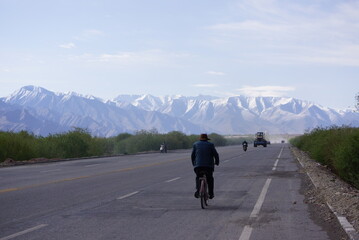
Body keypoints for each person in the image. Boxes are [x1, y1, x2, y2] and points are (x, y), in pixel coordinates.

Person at [191, 133, 219, 199]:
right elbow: (216, 155)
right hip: (208, 166)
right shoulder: (211, 145)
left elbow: (192, 156)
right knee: (210, 179)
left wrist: (194, 164)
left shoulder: (195, 144)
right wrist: (217, 162)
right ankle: (211, 194)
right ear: (206, 139)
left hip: (198, 166)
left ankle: (198, 191)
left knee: (198, 177)